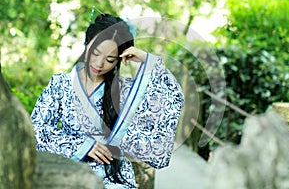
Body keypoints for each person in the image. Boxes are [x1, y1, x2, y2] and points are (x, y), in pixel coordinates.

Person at [31, 13, 184, 188]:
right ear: (86, 44)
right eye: (95, 53)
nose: (99, 63)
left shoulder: (125, 90)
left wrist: (147, 60)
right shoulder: (60, 84)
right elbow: (35, 130)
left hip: (115, 177)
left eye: (110, 59)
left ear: (119, 59)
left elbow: (171, 96)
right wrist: (82, 145)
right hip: (70, 173)